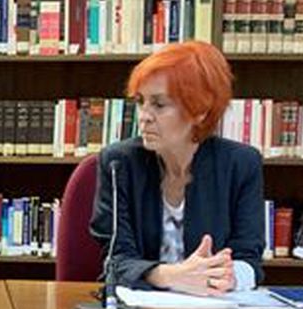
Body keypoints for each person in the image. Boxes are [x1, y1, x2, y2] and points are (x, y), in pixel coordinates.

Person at [90, 41, 264, 295]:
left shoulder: (241, 164)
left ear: (200, 110)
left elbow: (250, 259)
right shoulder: (119, 163)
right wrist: (172, 276)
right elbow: (116, 262)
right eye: (140, 102)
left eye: (159, 105)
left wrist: (229, 276)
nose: (144, 116)